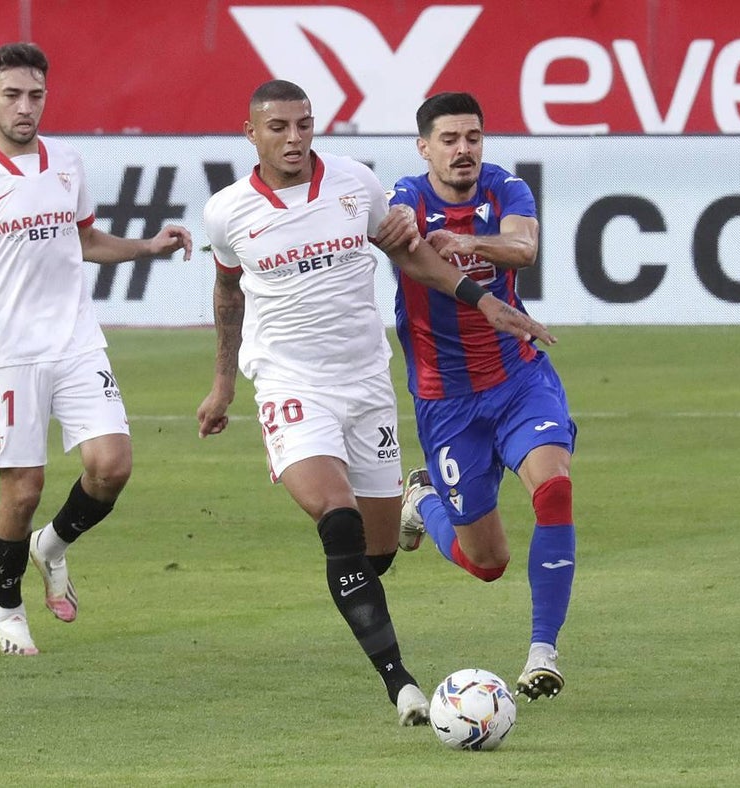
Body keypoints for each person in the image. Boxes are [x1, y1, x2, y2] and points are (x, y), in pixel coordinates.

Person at [195, 80, 553, 725]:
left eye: (304, 124)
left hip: (365, 384)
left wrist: (485, 302)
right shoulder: (227, 212)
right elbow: (228, 294)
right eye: (278, 127)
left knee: (376, 552)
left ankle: (412, 509)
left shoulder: (356, 185)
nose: (294, 138)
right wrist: (223, 383)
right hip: (289, 383)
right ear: (251, 134)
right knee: (338, 521)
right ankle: (401, 685)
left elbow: (413, 258)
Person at [0, 42, 192, 656]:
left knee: (112, 466)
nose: (25, 106)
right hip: (11, 353)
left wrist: (147, 247)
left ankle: (53, 543)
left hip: (76, 342)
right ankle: (8, 609)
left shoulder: (67, 162)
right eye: (12, 95)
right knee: (22, 491)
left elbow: (86, 240)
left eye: (35, 95)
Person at [390, 91, 578, 701]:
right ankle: (422, 501)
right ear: (424, 148)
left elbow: (524, 247)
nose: (463, 149)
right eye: (449, 140)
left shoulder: (505, 188)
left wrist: (469, 243)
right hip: (446, 401)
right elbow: (407, 246)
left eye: (472, 137)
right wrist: (433, 242)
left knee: (554, 488)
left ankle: (543, 652)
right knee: (487, 562)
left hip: (519, 378)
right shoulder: (405, 197)